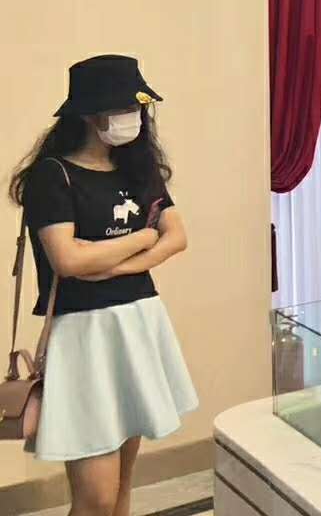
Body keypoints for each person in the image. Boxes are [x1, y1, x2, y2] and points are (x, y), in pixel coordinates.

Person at [8, 55, 195, 516]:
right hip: (84, 336)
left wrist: (112, 262)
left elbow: (176, 236)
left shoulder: (139, 169)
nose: (136, 117)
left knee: (123, 486)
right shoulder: (54, 175)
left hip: (139, 324)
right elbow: (68, 259)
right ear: (91, 115)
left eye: (138, 108)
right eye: (125, 108)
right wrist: (141, 239)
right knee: (96, 497)